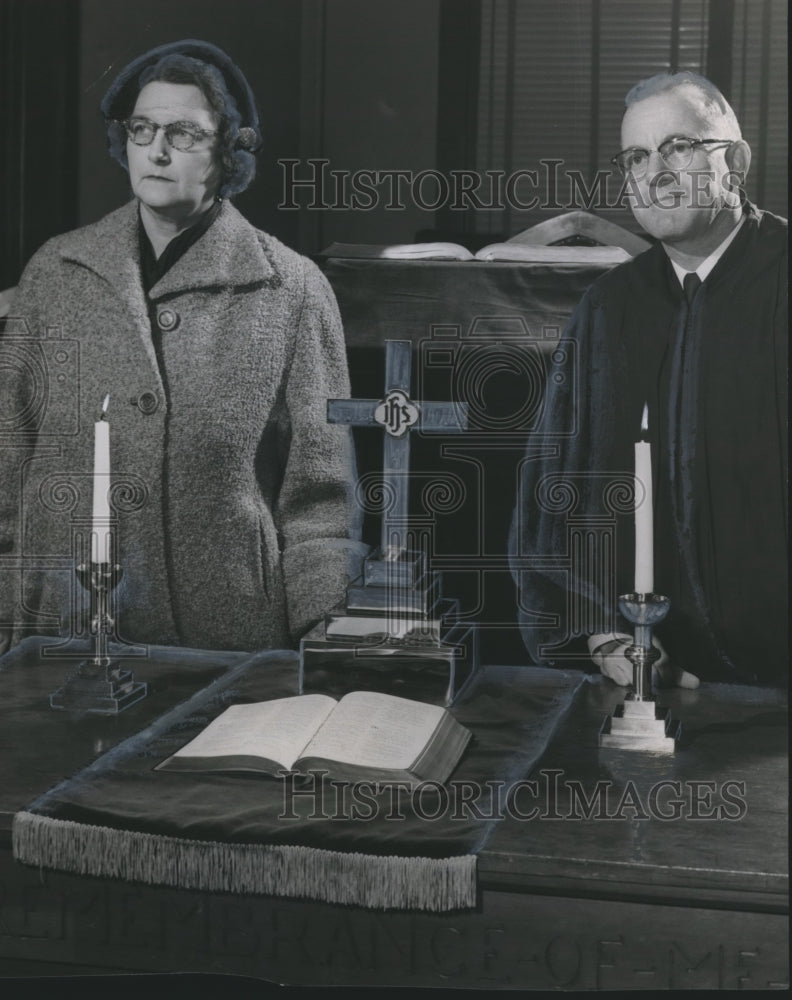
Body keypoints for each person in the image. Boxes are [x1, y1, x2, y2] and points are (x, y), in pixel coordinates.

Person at [0, 39, 366, 656]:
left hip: (227, 640)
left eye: (185, 133)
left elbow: (320, 499)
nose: (158, 149)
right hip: (59, 637)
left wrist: (318, 637)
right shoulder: (56, 273)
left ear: (230, 149)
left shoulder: (291, 289)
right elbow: (8, 464)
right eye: (143, 128)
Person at [509, 71, 787, 688]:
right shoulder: (609, 307)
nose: (654, 172)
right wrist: (606, 633)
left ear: (734, 161)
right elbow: (558, 490)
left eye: (678, 146)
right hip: (649, 676)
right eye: (636, 156)